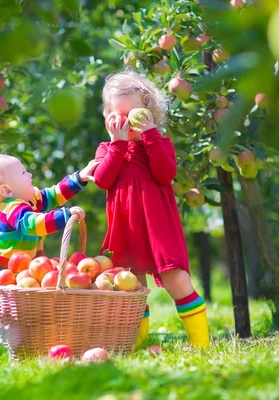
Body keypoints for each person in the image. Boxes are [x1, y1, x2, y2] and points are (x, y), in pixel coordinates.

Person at [93, 70, 209, 347]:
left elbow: (165, 173)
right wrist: (118, 144)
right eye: (118, 114)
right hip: (126, 228)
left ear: (150, 111)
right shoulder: (107, 149)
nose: (127, 120)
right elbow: (102, 179)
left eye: (134, 113)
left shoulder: (159, 143)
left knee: (176, 279)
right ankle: (139, 342)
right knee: (130, 285)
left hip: (158, 228)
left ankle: (202, 343)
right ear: (108, 117)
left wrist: (150, 135)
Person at [0, 154, 97, 299]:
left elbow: (52, 195)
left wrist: (78, 179)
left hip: (14, 283)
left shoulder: (29, 201)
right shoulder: (11, 209)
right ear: (7, 190)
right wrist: (65, 216)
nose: (30, 175)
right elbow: (34, 224)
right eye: (23, 173)